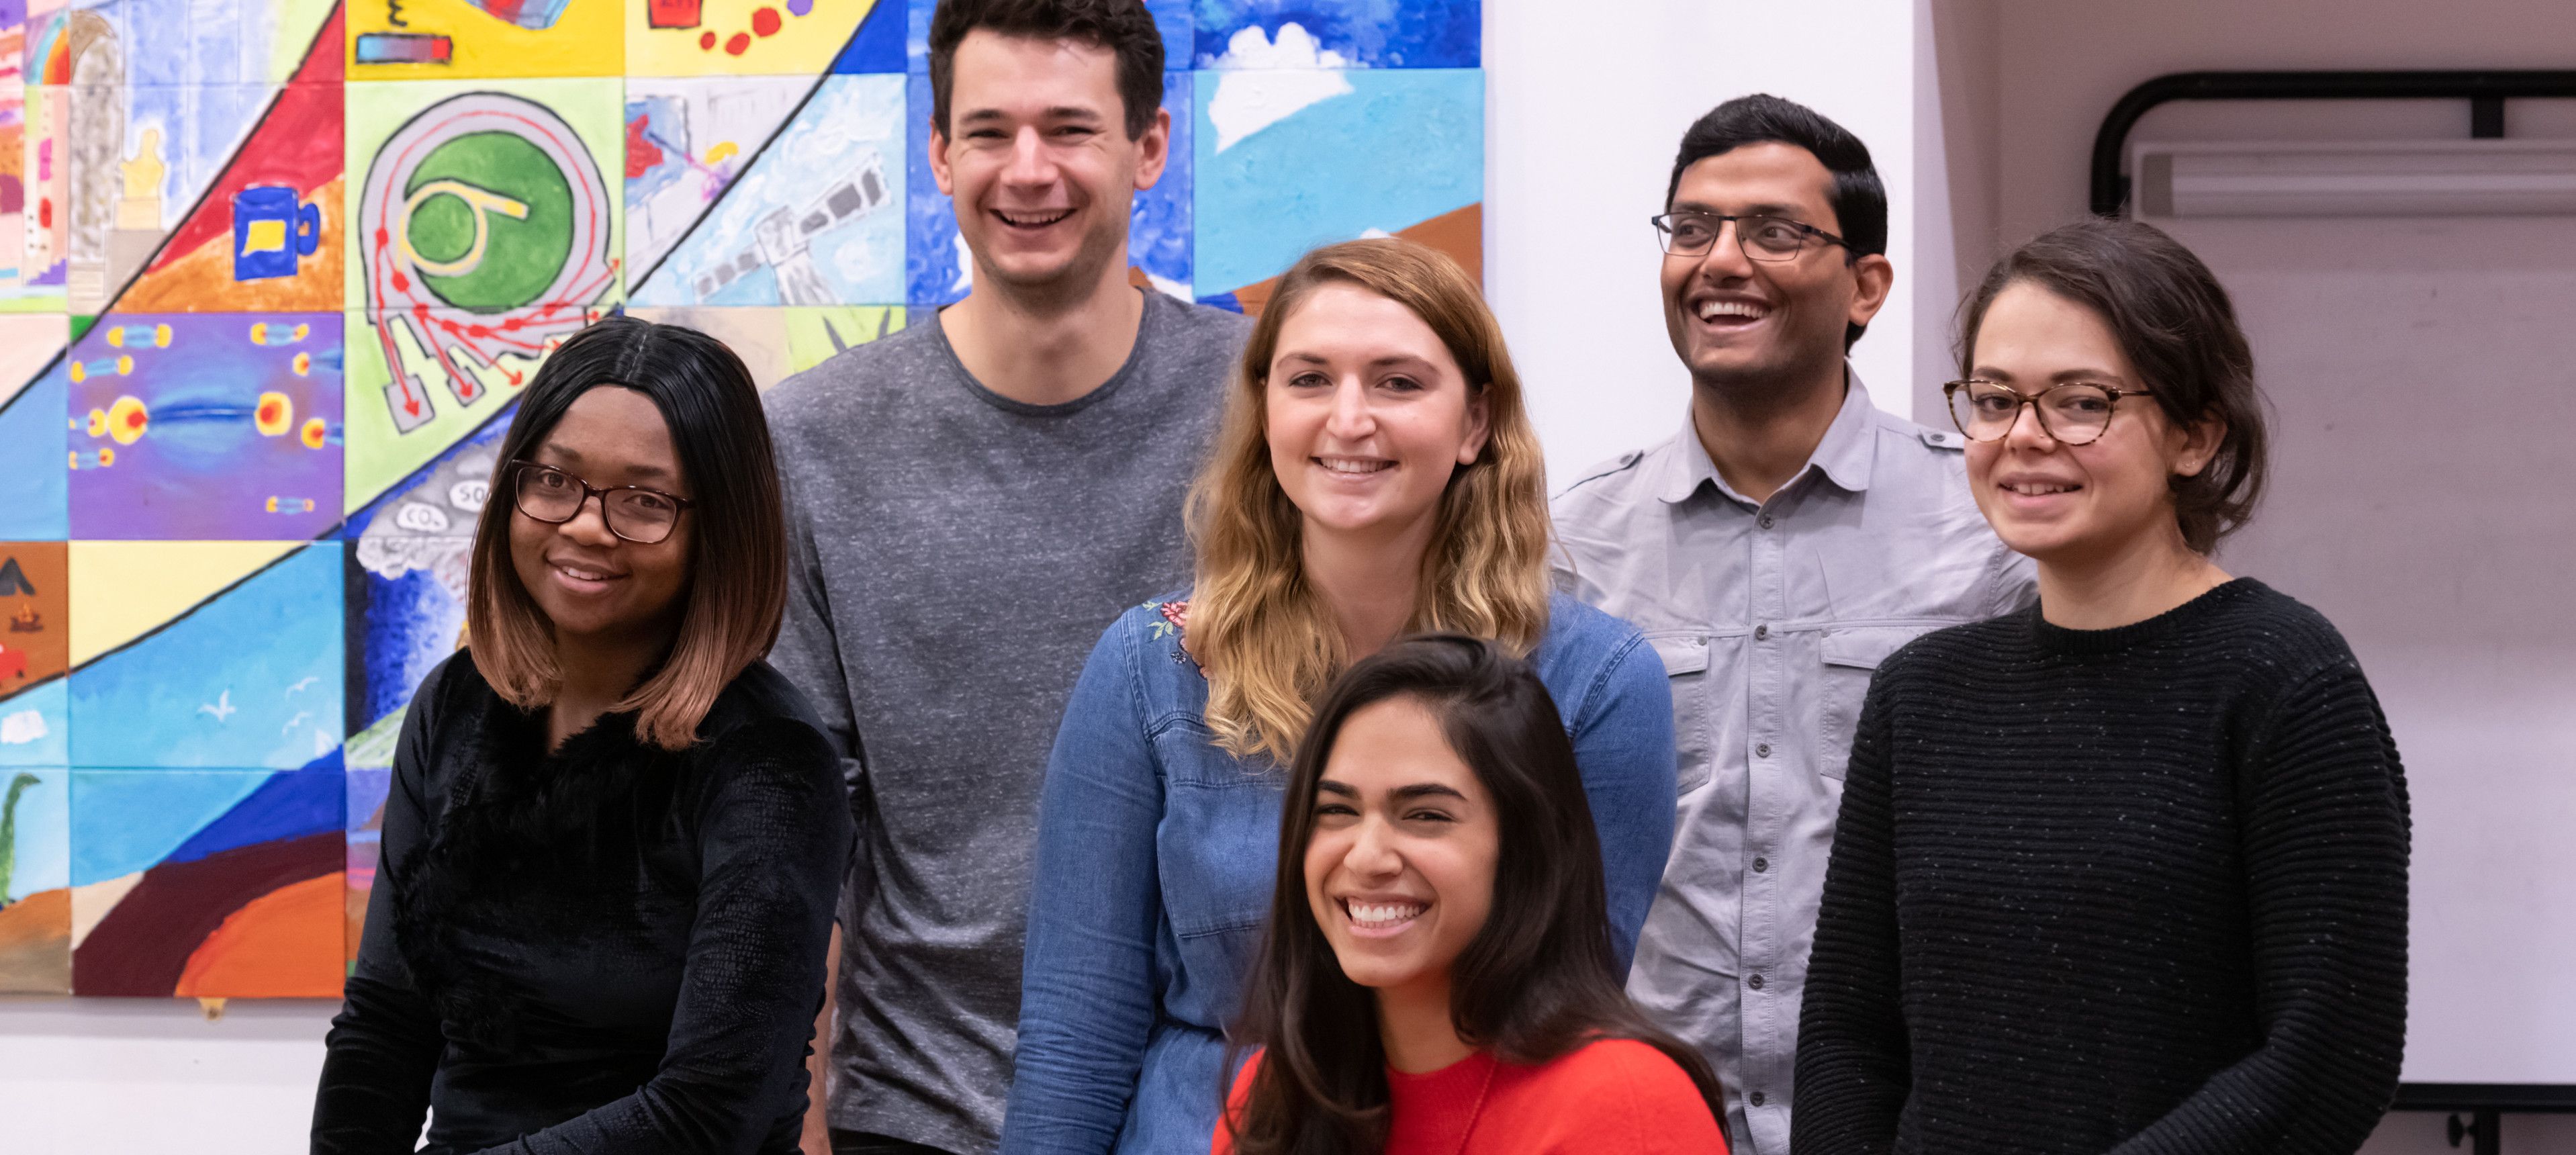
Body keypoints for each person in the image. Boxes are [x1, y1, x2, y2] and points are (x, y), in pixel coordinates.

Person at [1001, 239, 1678, 1155]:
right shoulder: (1151, 664)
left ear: (1476, 422)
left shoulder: (1595, 686)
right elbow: (1076, 1035)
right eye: (1310, 379)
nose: (1348, 419)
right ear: (1265, 410)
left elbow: (1564, 1013)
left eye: (1398, 383)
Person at [1792, 218, 2411, 1154]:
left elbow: (2329, 1057)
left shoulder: (2286, 679)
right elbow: (1849, 1037)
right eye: (1995, 399)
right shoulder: (1921, 694)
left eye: (2080, 403)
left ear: (2196, 434)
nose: (2024, 439)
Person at [760, 0, 1252, 1150]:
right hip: (915, 1110)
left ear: (1150, 149)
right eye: (988, 132)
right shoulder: (814, 439)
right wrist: (804, 1122)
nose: (1027, 171)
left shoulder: (1270, 407)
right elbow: (798, 825)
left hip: (1216, 1108)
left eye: (1069, 129)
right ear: (938, 153)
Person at [1548, 94, 2034, 1155]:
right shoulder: (1574, 547)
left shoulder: (1992, 527)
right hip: (1650, 1117)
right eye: (1692, 229)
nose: (1721, 260)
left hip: (1917, 1116)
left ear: (1867, 286)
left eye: (1774, 231)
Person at [311, 317, 853, 1154]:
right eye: (556, 481)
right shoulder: (456, 704)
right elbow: (386, 1019)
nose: (587, 525)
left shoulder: (770, 763)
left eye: (644, 500)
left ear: (720, 526)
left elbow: (712, 1109)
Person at [1215, 635, 1727, 1155]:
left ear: (1523, 848)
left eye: (1426, 816)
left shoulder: (1627, 1106)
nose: (1366, 858)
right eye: (1337, 811)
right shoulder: (1275, 1096)